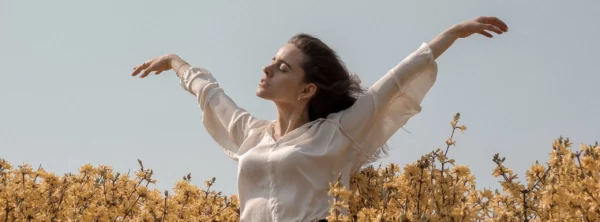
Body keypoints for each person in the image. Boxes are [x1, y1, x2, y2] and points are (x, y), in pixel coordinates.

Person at [131, 16, 508, 222]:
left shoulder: (336, 133)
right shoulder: (253, 135)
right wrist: (176, 62)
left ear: (307, 89)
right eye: (271, 62)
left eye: (280, 67)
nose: (266, 69)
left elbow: (392, 83)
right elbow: (211, 95)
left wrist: (451, 35)